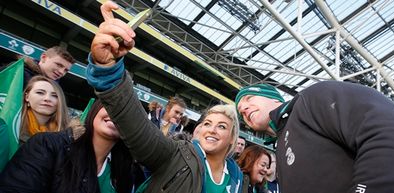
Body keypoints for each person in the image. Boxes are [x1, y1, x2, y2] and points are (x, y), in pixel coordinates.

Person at [86, 2, 243, 193]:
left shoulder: (237, 178)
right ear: (198, 130)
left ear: (232, 138)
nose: (212, 130)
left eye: (222, 126)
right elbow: (137, 126)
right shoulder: (175, 153)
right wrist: (108, 71)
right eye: (207, 123)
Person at [235, 83, 394, 193]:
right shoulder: (280, 148)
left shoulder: (310, 100)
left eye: (249, 98)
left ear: (273, 97)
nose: (243, 108)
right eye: (240, 111)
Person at [0, 100, 144, 193]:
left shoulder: (127, 172)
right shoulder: (47, 145)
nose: (116, 115)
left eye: (127, 114)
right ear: (95, 110)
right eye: (110, 106)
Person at [20, 75, 69, 143]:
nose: (47, 99)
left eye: (55, 96)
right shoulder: (9, 124)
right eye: (40, 93)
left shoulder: (69, 136)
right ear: (27, 97)